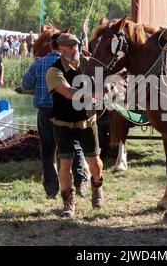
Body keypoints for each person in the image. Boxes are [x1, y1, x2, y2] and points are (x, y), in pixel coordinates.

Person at [23, 31, 89, 201]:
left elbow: (25, 84)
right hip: (68, 110)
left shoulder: (39, 63)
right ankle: (81, 182)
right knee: (75, 146)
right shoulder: (74, 64)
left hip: (45, 111)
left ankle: (51, 190)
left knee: (47, 150)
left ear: (50, 46)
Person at [46, 33, 104, 218]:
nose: (75, 50)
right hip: (63, 123)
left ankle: (96, 187)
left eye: (76, 46)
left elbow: (104, 78)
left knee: (94, 161)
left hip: (87, 121)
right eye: (70, 48)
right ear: (61, 50)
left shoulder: (88, 64)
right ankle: (68, 203)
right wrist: (93, 92)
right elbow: (70, 93)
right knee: (65, 164)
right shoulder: (54, 71)